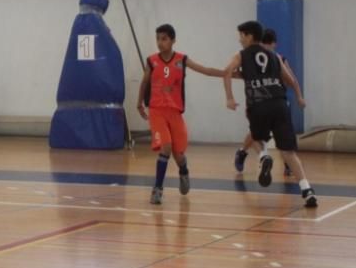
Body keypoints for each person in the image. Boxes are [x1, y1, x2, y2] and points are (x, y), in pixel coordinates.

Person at [223, 21, 318, 208]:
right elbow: (290, 80)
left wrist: (229, 98)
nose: (239, 39)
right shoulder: (275, 56)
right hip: (280, 104)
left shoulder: (241, 55)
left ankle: (264, 156)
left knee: (256, 137)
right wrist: (299, 96)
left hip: (258, 104)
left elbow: (227, 72)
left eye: (241, 35)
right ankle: (307, 190)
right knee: (289, 152)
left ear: (249, 37)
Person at [136, 24, 225, 205]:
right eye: (158, 39)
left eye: (164, 39)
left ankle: (183, 171)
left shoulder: (181, 60)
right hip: (156, 110)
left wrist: (228, 73)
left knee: (179, 155)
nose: (160, 43)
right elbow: (144, 83)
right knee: (166, 147)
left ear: (173, 40)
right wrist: (139, 103)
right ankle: (157, 189)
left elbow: (206, 70)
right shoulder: (152, 61)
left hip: (174, 112)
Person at [233, 28, 306, 178]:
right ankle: (244, 153)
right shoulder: (252, 58)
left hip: (276, 101)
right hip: (259, 102)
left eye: (268, 45)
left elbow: (292, 79)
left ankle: (285, 164)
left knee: (280, 134)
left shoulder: (278, 59)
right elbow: (238, 73)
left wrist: (299, 96)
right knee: (256, 133)